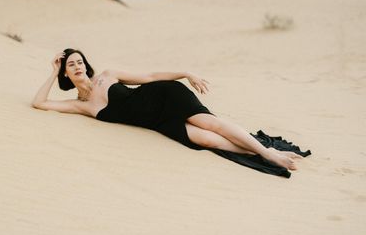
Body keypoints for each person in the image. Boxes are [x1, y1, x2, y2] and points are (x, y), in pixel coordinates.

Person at [32, 48, 309, 175]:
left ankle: (269, 154)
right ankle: (258, 150)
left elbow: (151, 76)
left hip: (165, 96)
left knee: (210, 125)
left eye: (80, 61)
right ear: (66, 74)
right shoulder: (80, 106)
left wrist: (185, 73)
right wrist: (52, 71)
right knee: (207, 140)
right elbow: (39, 103)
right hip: (157, 123)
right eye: (71, 65)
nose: (78, 67)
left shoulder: (108, 75)